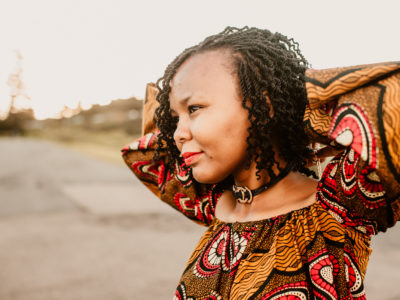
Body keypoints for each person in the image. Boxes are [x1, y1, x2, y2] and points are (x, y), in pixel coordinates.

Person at [121, 26, 400, 299]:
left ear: (262, 104)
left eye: (194, 108)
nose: (178, 133)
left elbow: (391, 97)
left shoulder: (342, 208)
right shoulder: (213, 203)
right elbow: (144, 153)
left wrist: (293, 105)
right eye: (175, 117)